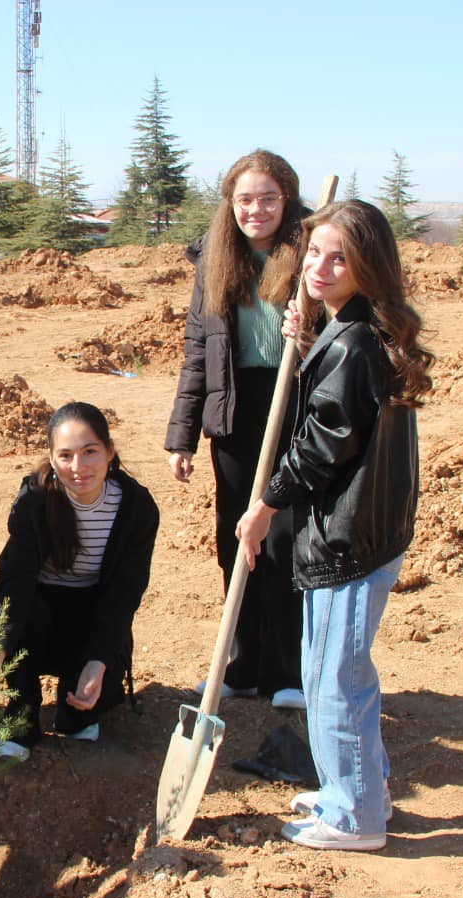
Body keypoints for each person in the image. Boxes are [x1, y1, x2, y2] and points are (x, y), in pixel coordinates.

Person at [235, 199, 433, 851]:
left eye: (338, 256)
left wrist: (264, 506)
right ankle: (358, 788)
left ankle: (353, 817)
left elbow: (323, 444)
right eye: (314, 253)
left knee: (333, 680)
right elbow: (337, 402)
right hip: (369, 531)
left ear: (367, 266)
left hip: (349, 540)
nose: (319, 266)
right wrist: (309, 338)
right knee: (338, 674)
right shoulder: (356, 330)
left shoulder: (352, 342)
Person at [165, 150, 307, 712]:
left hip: (292, 406)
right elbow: (198, 350)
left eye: (268, 198)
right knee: (236, 540)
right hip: (233, 411)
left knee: (285, 539)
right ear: (231, 203)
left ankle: (287, 670)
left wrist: (310, 327)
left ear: (287, 199)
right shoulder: (215, 258)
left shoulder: (310, 252)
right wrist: (181, 435)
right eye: (245, 199)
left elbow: (351, 320)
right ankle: (242, 665)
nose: (256, 209)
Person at [0, 403, 160, 761]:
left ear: (110, 452)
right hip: (37, 613)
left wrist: (99, 661)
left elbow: (124, 593)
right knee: (16, 615)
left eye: (90, 452)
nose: (78, 468)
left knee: (79, 720)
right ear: (52, 459)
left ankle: (75, 701)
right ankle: (21, 714)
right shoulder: (36, 500)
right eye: (65, 455)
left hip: (92, 614)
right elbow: (14, 582)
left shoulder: (136, 506)